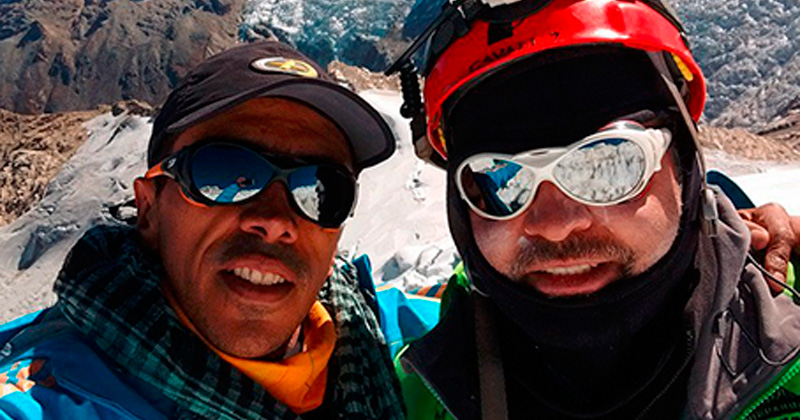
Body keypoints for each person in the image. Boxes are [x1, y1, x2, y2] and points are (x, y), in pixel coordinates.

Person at [386, 0, 800, 418]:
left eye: (610, 164)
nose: (556, 225)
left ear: (684, 166)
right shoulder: (399, 392)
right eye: (498, 180)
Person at [0, 41, 404, 419]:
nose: (276, 221)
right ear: (148, 210)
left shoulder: (401, 345)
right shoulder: (43, 400)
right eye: (223, 173)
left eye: (322, 190)